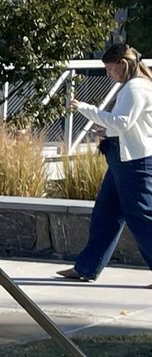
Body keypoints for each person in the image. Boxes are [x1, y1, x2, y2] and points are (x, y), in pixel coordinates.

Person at [57, 43, 152, 285]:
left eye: (110, 69)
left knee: (141, 217)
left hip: (134, 163)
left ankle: (87, 267)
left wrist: (86, 109)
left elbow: (122, 122)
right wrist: (106, 129)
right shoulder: (134, 86)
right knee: (106, 214)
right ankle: (86, 267)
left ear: (123, 64)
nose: (109, 75)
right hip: (124, 160)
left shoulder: (135, 88)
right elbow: (128, 125)